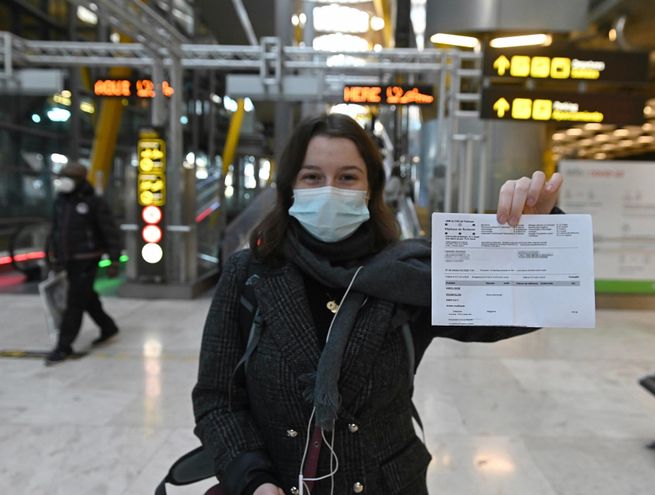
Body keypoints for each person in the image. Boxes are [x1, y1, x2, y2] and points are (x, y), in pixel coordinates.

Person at [192, 114, 563, 495]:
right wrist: (253, 479)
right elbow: (216, 398)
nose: (330, 190)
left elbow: (520, 312)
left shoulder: (411, 274)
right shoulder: (251, 273)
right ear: (289, 187)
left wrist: (538, 235)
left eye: (348, 177)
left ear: (371, 187)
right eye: (313, 177)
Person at [45, 162, 122, 365]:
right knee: (87, 298)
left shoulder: (94, 202)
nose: (65, 181)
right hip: (68, 260)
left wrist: (114, 259)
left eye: (69, 177)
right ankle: (108, 327)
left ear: (80, 180)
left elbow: (110, 232)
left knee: (75, 302)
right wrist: (53, 256)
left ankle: (64, 346)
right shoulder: (60, 201)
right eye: (63, 176)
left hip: (88, 259)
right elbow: (56, 231)